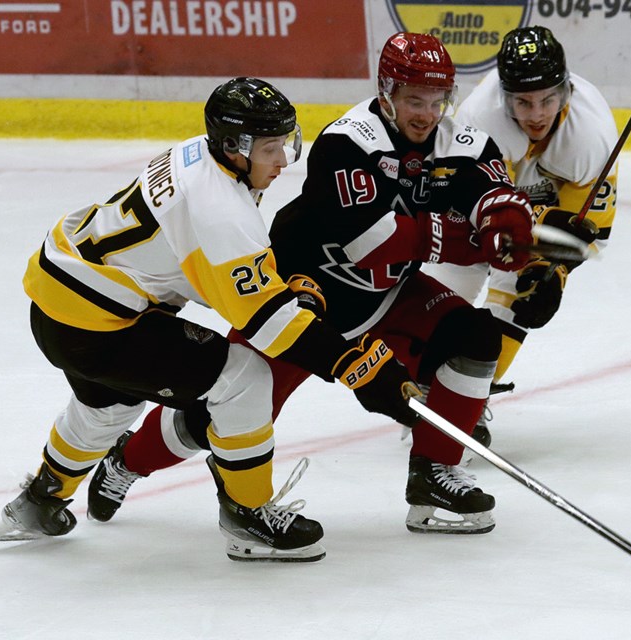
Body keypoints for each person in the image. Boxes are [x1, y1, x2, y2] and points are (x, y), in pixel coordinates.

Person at [90, 32, 536, 537]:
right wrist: (476, 242)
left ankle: (433, 473)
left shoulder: (462, 140)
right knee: (220, 412)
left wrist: (507, 220)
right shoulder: (347, 141)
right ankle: (128, 460)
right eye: (414, 100)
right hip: (303, 301)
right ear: (386, 91)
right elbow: (376, 241)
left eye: (437, 101)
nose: (426, 113)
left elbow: (495, 192)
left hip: (387, 296)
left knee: (476, 338)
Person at [0, 77, 420, 564]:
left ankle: (39, 500)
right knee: (244, 378)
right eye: (272, 149)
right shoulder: (218, 208)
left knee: (107, 407)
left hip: (60, 302)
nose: (283, 161)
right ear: (236, 146)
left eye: (286, 144)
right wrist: (354, 365)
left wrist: (275, 283)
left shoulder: (201, 154)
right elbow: (266, 324)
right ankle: (248, 513)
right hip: (99, 324)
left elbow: (194, 263)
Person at [420, 26, 619, 446]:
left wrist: (554, 272)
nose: (536, 114)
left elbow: (588, 230)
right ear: (505, 96)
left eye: (548, 98)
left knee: (520, 292)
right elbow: (470, 211)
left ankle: (466, 399)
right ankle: (424, 381)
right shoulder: (478, 121)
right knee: (445, 286)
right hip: (483, 203)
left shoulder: (591, 135)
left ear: (566, 90)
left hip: (542, 198)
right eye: (524, 102)